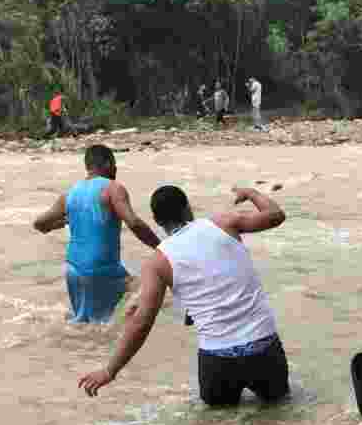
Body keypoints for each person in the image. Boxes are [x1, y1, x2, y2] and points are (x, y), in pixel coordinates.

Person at [78, 184, 289, 404]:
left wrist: (110, 370)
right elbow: (276, 215)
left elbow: (142, 321)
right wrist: (252, 193)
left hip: (218, 359)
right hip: (264, 347)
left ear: (157, 221)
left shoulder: (158, 262)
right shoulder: (224, 223)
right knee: (280, 411)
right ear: (188, 208)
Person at [33, 145, 162, 323]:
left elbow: (40, 224)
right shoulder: (112, 188)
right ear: (108, 163)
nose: (116, 169)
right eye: (115, 164)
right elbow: (134, 223)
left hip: (72, 270)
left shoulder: (69, 194)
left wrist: (63, 223)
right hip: (101, 268)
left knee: (85, 323)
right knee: (147, 290)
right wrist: (162, 247)